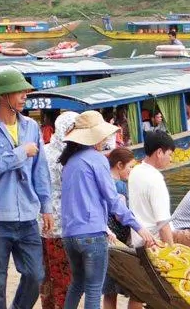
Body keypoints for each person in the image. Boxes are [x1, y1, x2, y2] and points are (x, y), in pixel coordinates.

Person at [0, 68, 53, 309]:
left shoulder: (31, 126)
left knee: (35, 274)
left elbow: (40, 170)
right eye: (20, 91)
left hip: (27, 214)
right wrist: (21, 152)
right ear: (4, 96)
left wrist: (46, 206)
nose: (25, 96)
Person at [60, 111, 156, 309]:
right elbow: (113, 200)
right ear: (96, 136)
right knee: (94, 289)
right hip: (92, 235)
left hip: (69, 234)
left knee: (77, 284)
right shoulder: (97, 160)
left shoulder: (70, 162)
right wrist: (139, 227)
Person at [128, 131, 190, 262]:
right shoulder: (155, 180)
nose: (171, 159)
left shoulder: (135, 171)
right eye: (169, 154)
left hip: (138, 237)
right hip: (155, 238)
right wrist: (172, 253)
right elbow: (163, 225)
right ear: (159, 153)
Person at [40, 111, 79, 309]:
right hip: (63, 225)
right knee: (65, 278)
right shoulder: (71, 157)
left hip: (41, 221)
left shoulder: (44, 150)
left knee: (46, 276)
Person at [103, 147, 142, 309]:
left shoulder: (104, 180)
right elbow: (121, 214)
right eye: (130, 166)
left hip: (105, 241)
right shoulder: (119, 186)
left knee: (109, 292)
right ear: (119, 165)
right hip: (118, 242)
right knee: (136, 290)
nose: (131, 171)